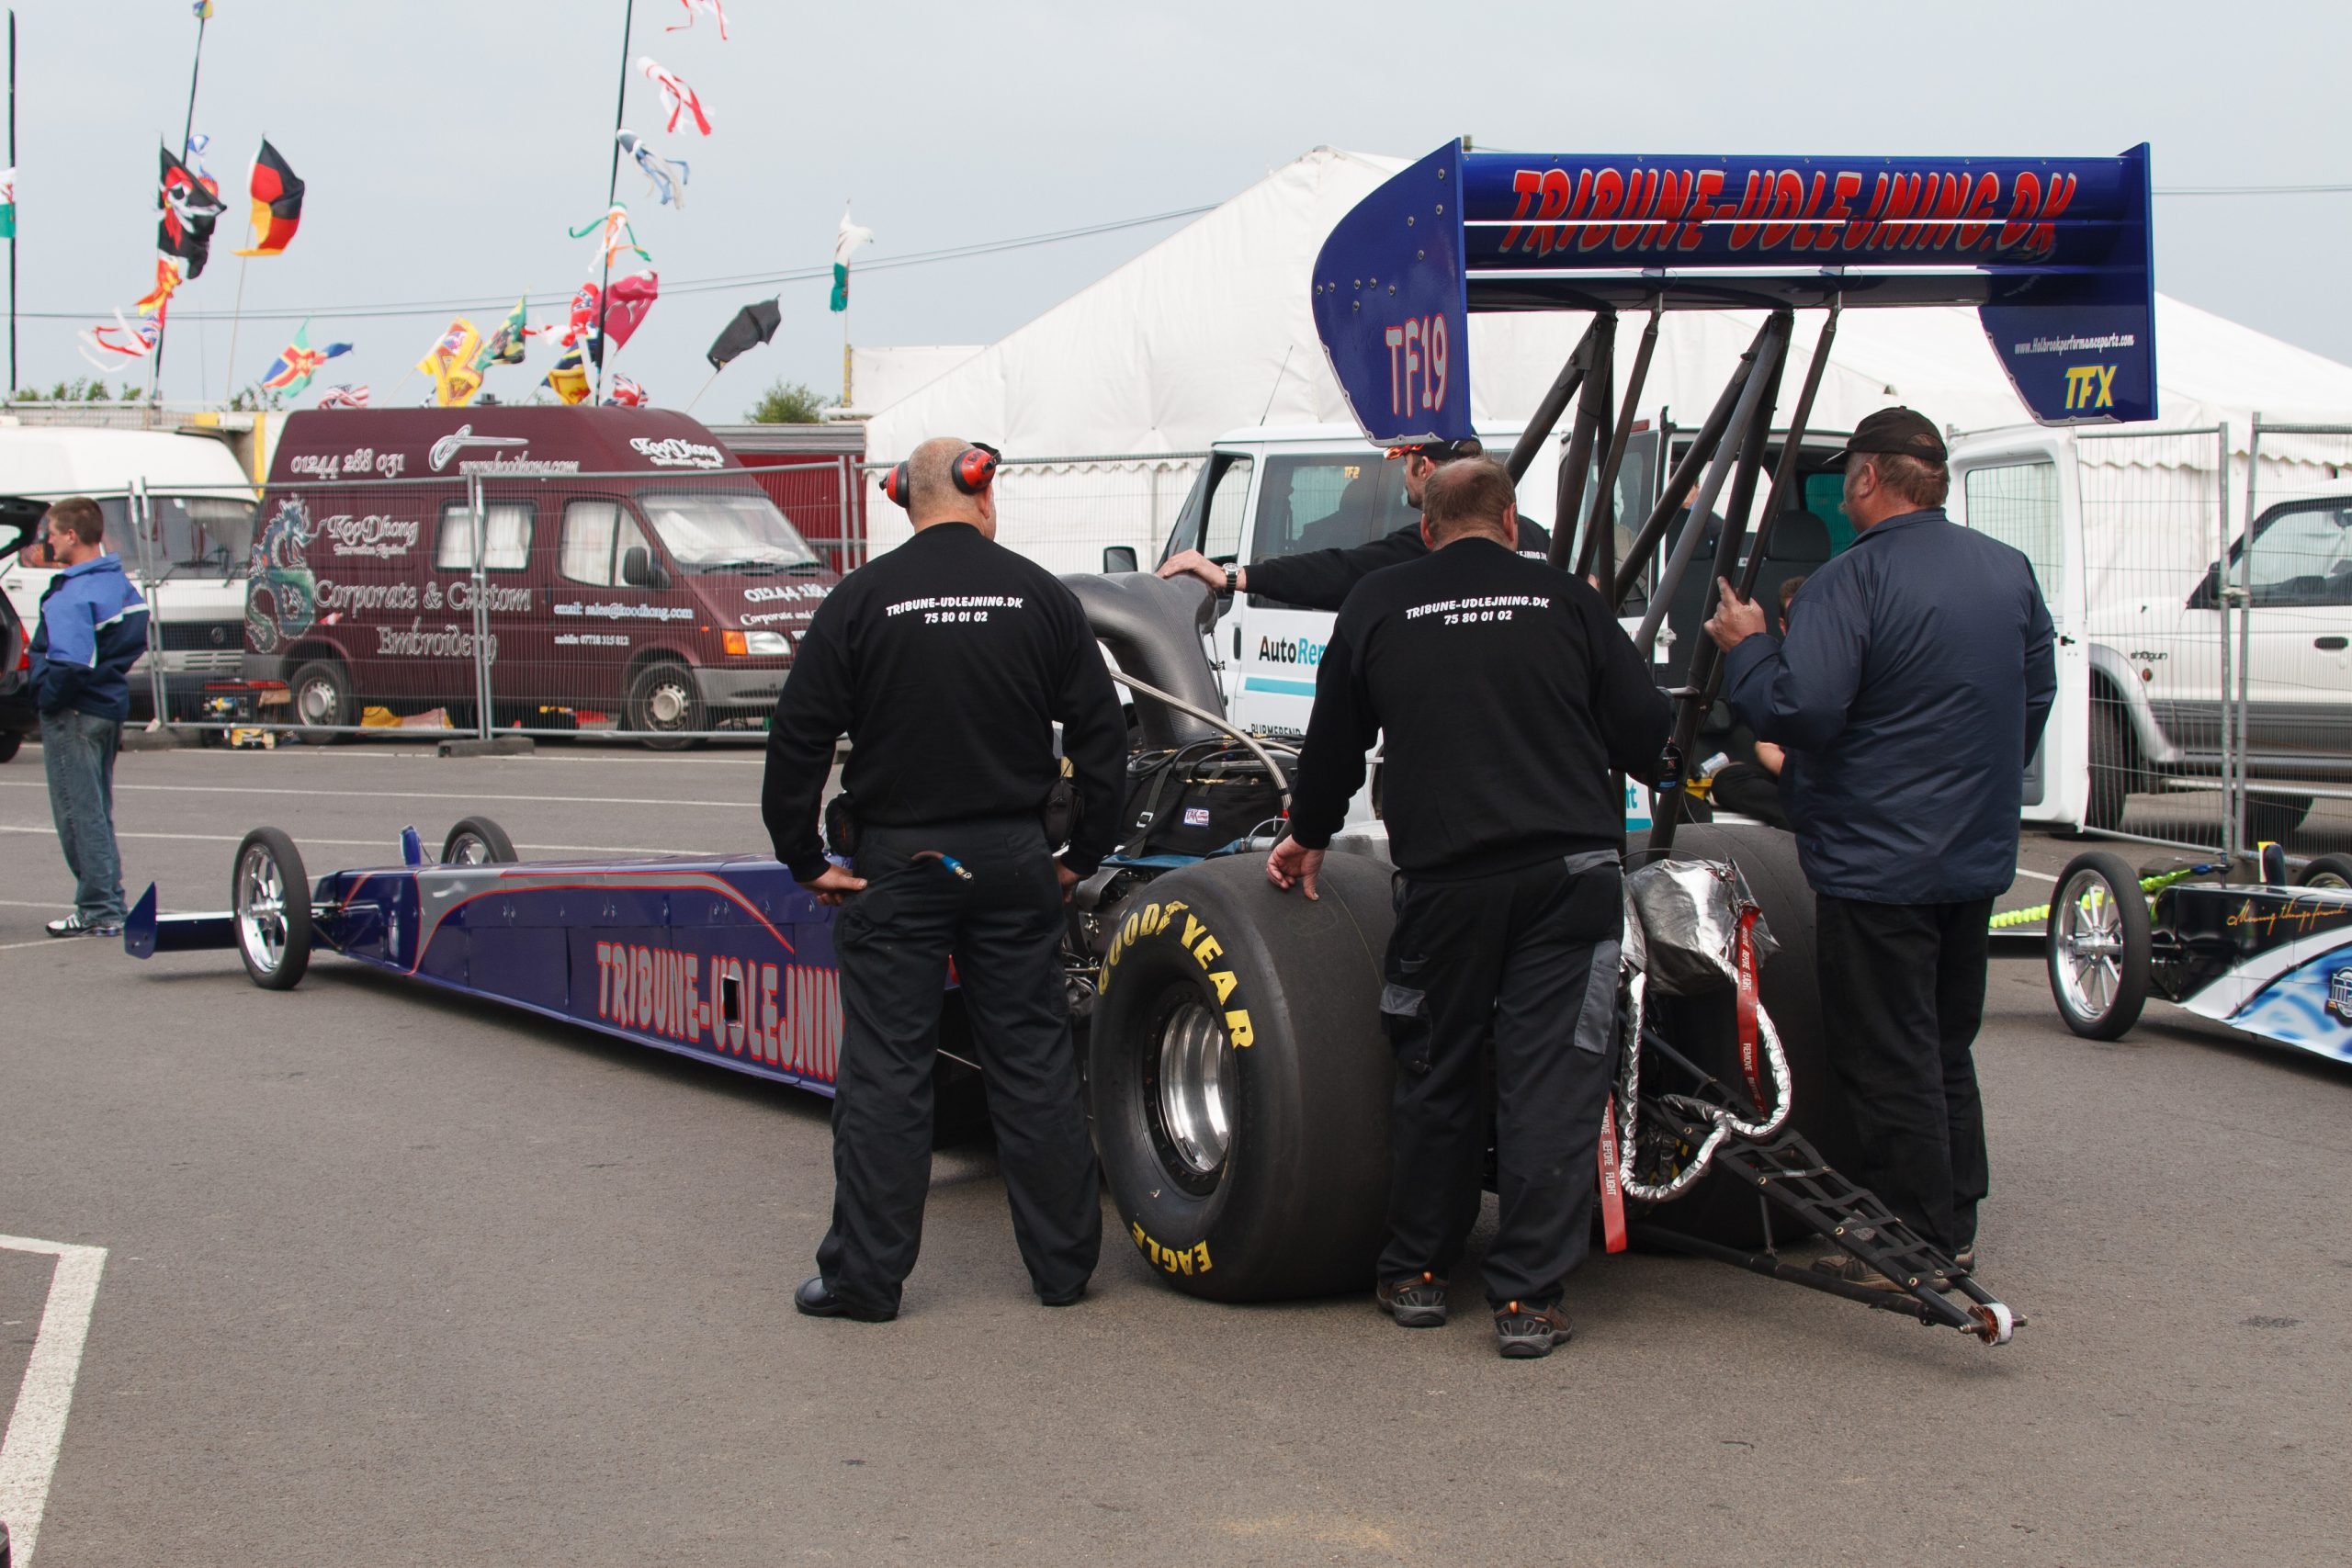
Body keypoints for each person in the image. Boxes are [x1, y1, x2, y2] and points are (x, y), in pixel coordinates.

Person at [1267, 457, 1671, 1358]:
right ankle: (1526, 1298)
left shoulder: (1378, 602)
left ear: (1426, 529)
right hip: (1567, 877)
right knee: (1550, 1081)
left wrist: (1309, 831)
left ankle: (1415, 1272)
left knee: (1436, 1072)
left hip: (1446, 883)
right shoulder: (1567, 601)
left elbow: (1333, 741)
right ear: (1512, 523)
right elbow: (1647, 732)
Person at [761, 436, 1127, 1323]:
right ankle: (1063, 1269)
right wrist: (1084, 849)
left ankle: (865, 1280)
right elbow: (1101, 734)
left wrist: (804, 856)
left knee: (887, 1070)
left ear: (902, 499)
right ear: (981, 492)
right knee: (1033, 1061)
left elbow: (798, 738)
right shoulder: (1040, 595)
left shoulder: (859, 599)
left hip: (901, 864)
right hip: (1010, 861)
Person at [1703, 408, 2055, 1284]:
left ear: (1866, 478)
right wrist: (1976, 779)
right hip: (1968, 857)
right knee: (1943, 1044)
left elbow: (1802, 710)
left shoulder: (1847, 582)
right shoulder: (2007, 571)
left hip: (1877, 859)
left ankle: (1914, 1238)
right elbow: (2035, 693)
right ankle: (1954, 1217)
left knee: (1889, 1051)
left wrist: (1749, 652)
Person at [1157, 437, 1550, 610]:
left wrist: (1231, 576)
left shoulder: (1430, 546)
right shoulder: (1539, 538)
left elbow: (1338, 571)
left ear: (1424, 467)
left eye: (1404, 465)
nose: (1402, 476)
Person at [28, 496, 148, 938]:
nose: (48, 543)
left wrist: (44, 699)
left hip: (74, 715)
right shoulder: (117, 583)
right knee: (97, 809)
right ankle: (108, 902)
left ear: (72, 536)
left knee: (78, 814)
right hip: (106, 708)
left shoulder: (71, 593)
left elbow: (70, 663)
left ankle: (99, 908)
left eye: (52, 535)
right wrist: (105, 672)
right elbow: (134, 630)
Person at [1702, 574, 1803, 829]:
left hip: (1832, 776)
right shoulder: (1776, 663)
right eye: (1796, 617)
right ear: (1782, 624)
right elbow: (1765, 745)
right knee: (1729, 780)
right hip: (1794, 773)